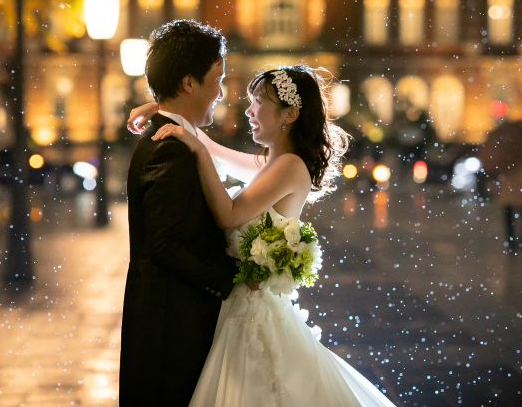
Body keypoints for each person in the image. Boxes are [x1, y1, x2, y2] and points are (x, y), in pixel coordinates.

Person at [129, 65, 398, 407]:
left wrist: (196, 152)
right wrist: (161, 111)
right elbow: (213, 147)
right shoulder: (272, 163)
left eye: (257, 102)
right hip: (240, 305)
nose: (249, 110)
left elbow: (228, 213)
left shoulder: (289, 167)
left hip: (253, 312)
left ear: (290, 114)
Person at [120, 20, 240, 406]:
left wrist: (159, 103)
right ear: (189, 83)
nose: (221, 93)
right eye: (216, 79)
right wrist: (231, 278)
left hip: (162, 315)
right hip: (171, 323)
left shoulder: (168, 132)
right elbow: (165, 243)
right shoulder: (170, 146)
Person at [497, 156, 522, 254]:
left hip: (515, 185)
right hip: (518, 184)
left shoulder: (507, 152)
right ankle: (521, 242)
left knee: (512, 216)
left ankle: (516, 243)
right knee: (520, 216)